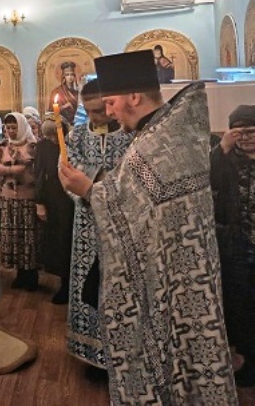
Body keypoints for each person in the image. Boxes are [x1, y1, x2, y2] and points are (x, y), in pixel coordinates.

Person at [58, 50, 236, 404]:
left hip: (173, 279)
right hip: (169, 271)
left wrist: (89, 190)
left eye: (111, 102)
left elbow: (129, 206)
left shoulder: (157, 144)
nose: (109, 111)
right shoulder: (159, 133)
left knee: (178, 365)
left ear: (134, 97)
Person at [65, 79, 132, 377]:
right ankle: (90, 350)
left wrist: (96, 183)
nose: (96, 117)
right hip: (86, 223)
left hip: (121, 223)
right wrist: (90, 185)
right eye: (89, 111)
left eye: (100, 110)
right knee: (86, 285)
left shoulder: (132, 134)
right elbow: (68, 173)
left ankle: (122, 352)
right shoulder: (77, 135)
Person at [211, 105, 255, 387]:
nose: (246, 137)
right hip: (236, 246)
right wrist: (222, 148)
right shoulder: (224, 159)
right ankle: (248, 361)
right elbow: (205, 181)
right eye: (239, 132)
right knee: (241, 306)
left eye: (251, 131)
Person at [0, 112, 39, 290]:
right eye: (8, 127)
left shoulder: (33, 145)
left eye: (14, 127)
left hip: (28, 197)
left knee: (28, 237)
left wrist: (17, 168)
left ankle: (31, 275)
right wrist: (13, 169)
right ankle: (19, 273)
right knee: (13, 236)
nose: (11, 131)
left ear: (22, 127)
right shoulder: (3, 144)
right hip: (9, 197)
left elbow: (36, 169)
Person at [34, 117, 74, 304]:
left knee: (69, 241)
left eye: (54, 136)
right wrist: (39, 202)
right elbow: (39, 173)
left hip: (71, 198)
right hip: (52, 199)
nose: (51, 140)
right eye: (48, 136)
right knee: (58, 242)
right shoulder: (43, 146)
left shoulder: (72, 142)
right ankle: (63, 283)